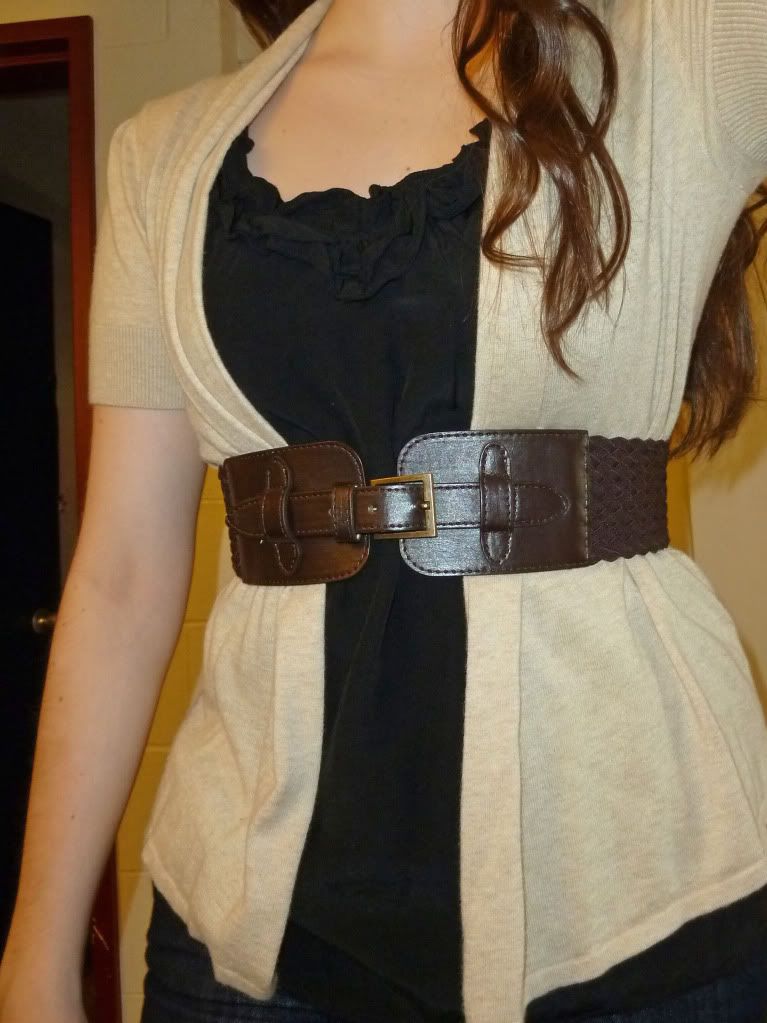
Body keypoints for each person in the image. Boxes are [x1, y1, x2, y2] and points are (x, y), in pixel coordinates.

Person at [1, 0, 767, 1021]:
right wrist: (37, 952)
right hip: (244, 937)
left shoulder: (685, 46)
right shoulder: (161, 157)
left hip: (637, 914)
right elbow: (121, 576)